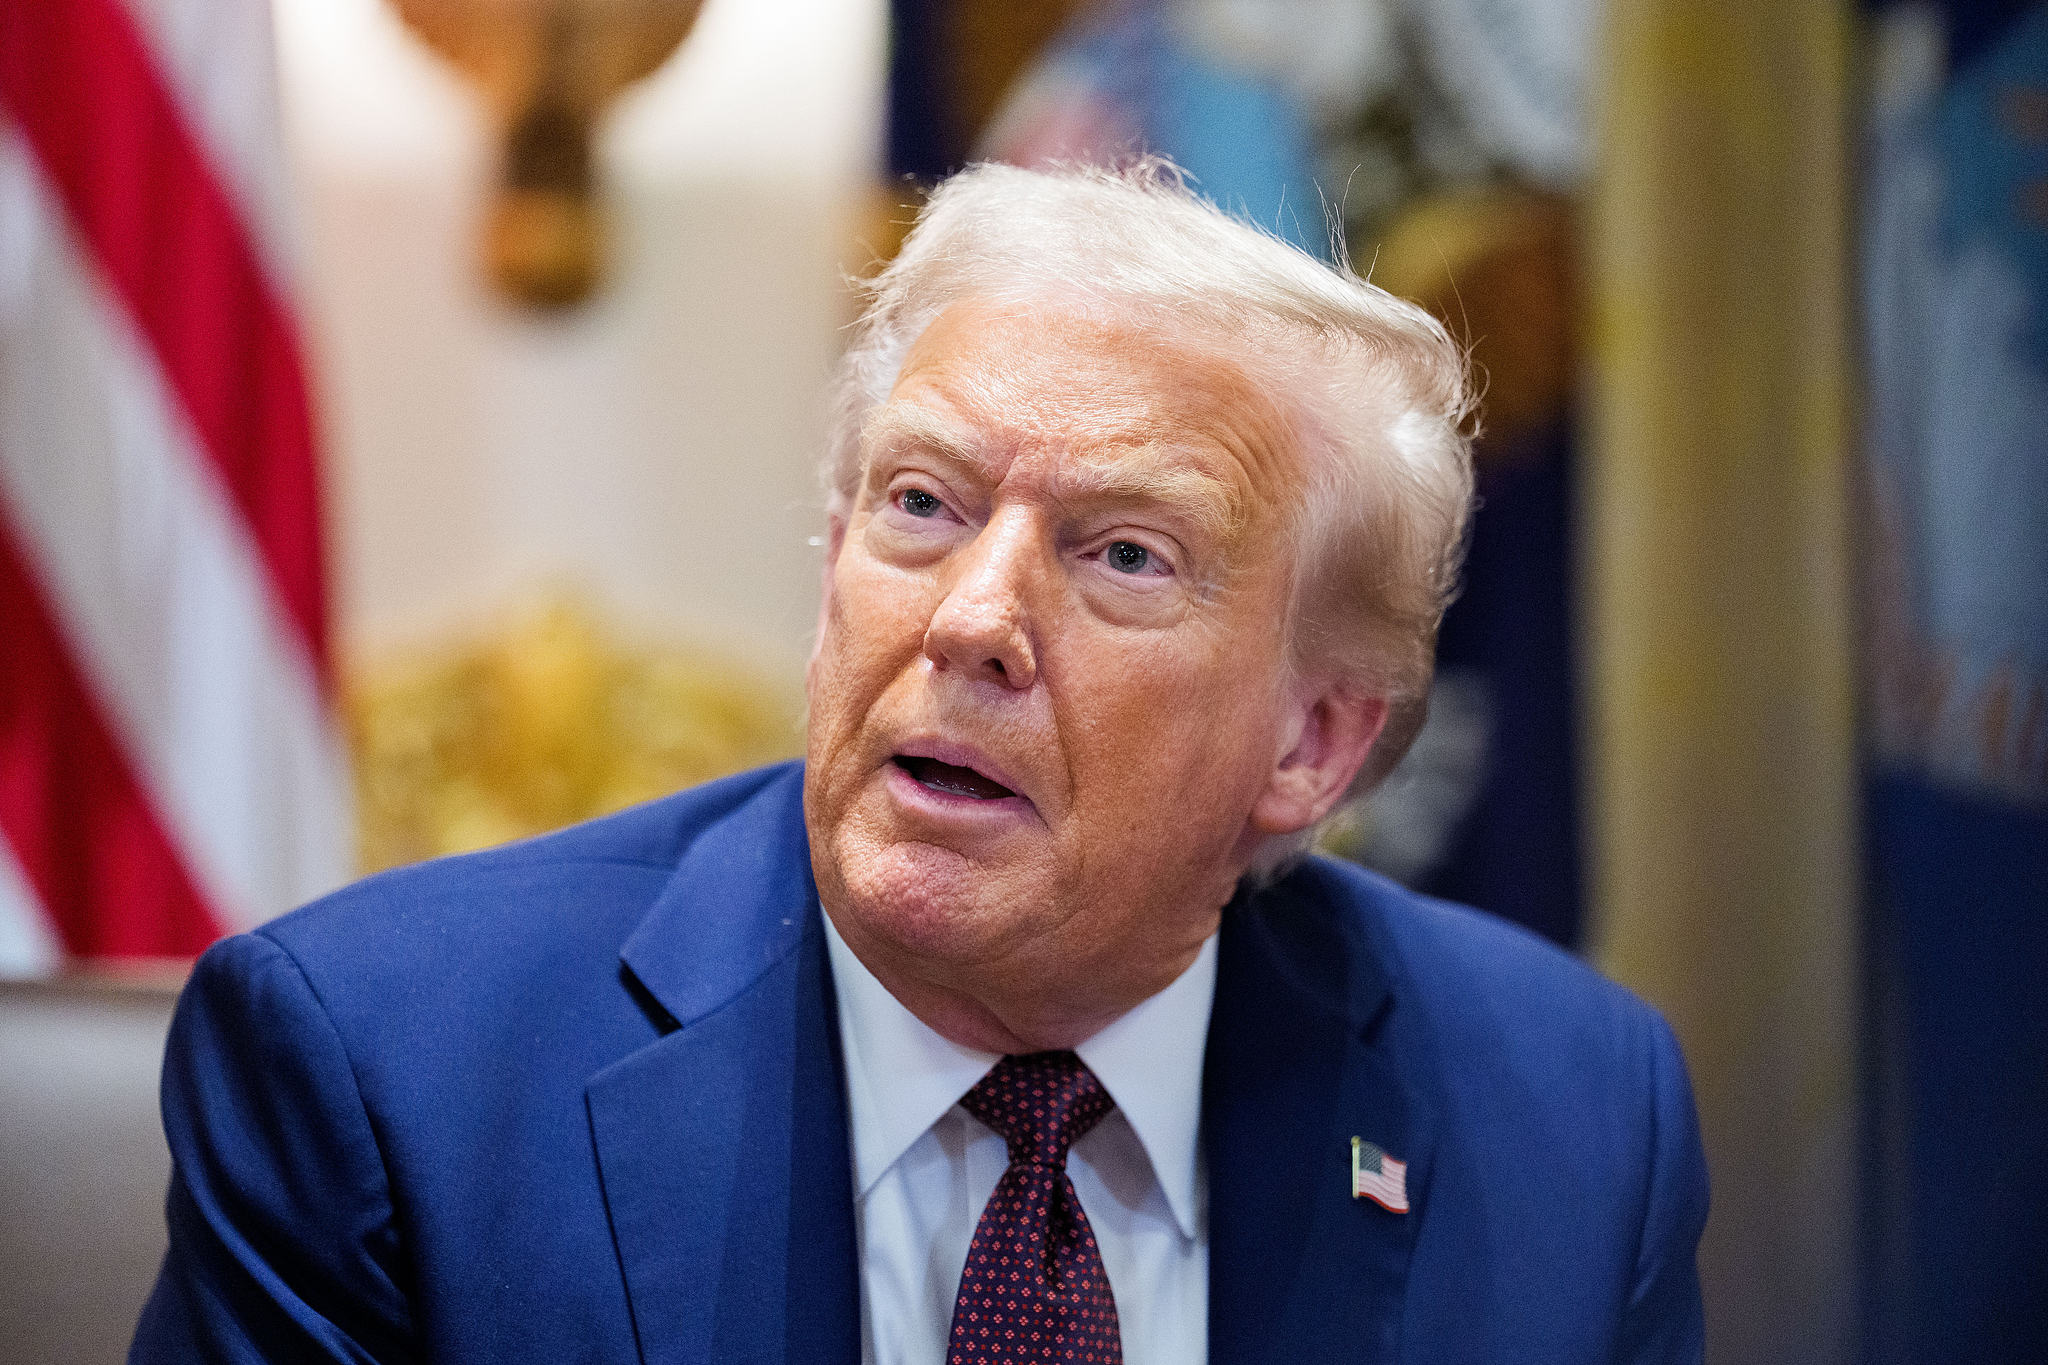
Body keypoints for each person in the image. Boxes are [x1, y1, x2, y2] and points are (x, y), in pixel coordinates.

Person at [131, 161, 1707, 1365]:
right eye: (923, 506)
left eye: (1128, 554)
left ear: (1311, 742)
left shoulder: (1568, 1121)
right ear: (830, 575)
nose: (972, 619)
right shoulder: (385, 1081)